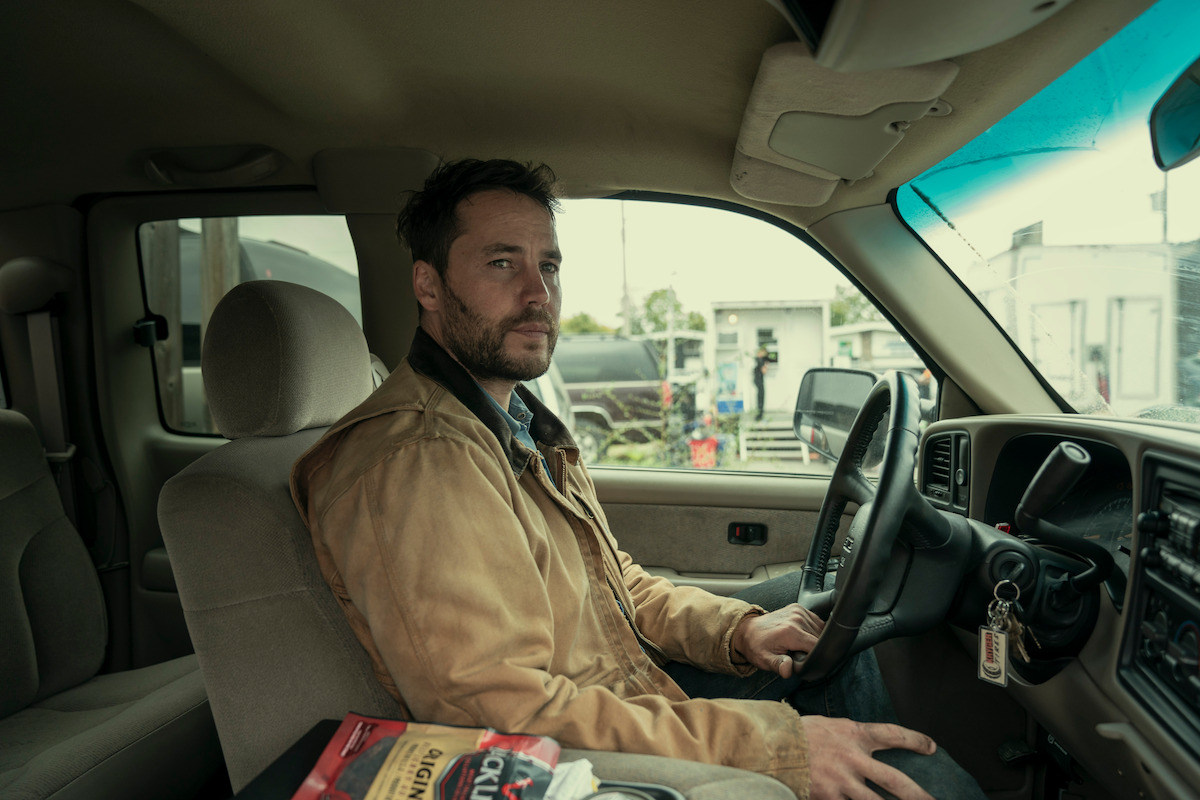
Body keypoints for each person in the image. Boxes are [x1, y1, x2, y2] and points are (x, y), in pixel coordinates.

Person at [291, 159, 984, 800]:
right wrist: (778, 745)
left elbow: (616, 586)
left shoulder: (509, 423)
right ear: (428, 285)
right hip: (583, 751)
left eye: (549, 265)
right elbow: (497, 709)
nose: (538, 294)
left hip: (614, 690)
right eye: (502, 263)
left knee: (817, 629)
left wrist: (738, 631)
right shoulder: (416, 461)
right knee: (912, 774)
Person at [753, 346, 769, 421]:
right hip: (760, 382)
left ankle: (759, 414)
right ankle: (760, 414)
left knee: (759, 398)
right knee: (761, 398)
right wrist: (765, 365)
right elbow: (764, 371)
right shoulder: (761, 360)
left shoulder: (757, 360)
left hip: (757, 381)